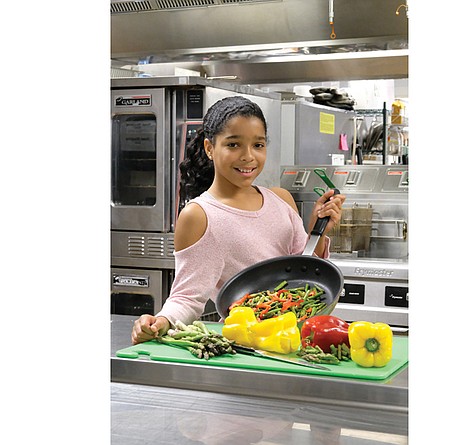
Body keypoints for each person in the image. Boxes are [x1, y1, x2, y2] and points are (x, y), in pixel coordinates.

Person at [131, 96, 345, 344]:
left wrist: (317, 233)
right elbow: (187, 298)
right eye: (233, 145)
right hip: (247, 343)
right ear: (210, 148)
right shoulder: (199, 215)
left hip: (300, 338)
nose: (248, 157)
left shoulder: (281, 199)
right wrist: (161, 321)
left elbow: (307, 273)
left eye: (258, 145)